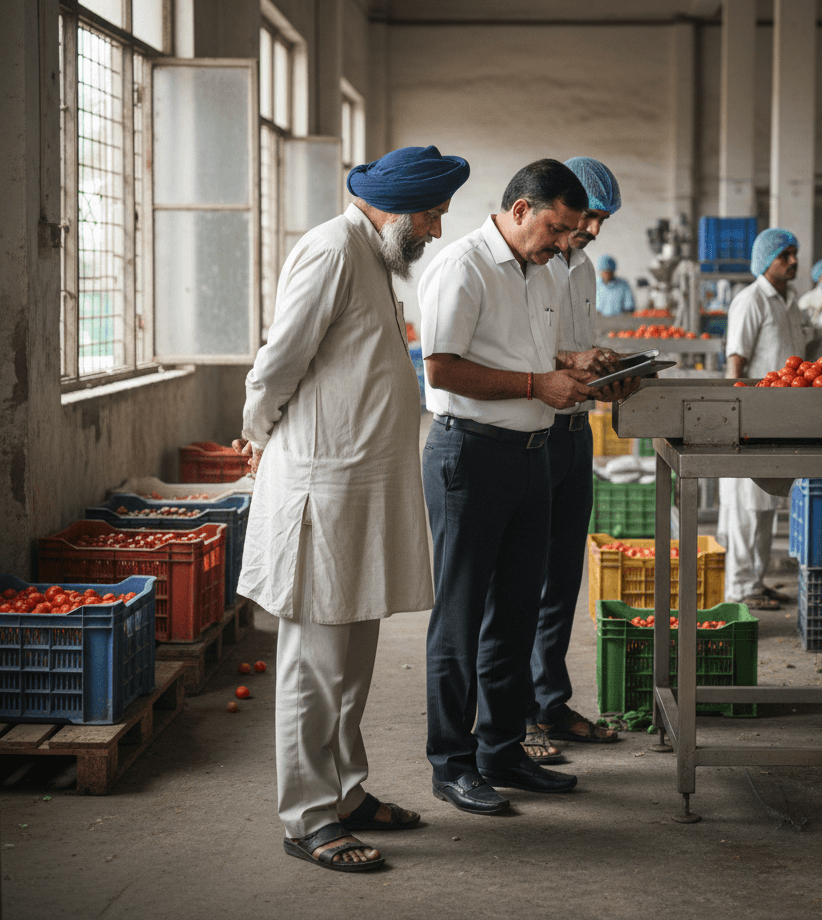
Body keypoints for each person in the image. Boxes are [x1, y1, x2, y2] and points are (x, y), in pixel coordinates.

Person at [232, 145, 470, 873]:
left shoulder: (374, 257)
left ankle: (346, 791)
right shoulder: (332, 250)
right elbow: (280, 361)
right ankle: (308, 817)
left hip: (362, 489)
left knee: (353, 656)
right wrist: (258, 434)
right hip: (323, 488)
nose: (435, 229)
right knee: (315, 662)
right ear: (396, 208)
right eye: (430, 214)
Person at [418, 159, 616, 815]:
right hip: (470, 456)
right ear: (522, 209)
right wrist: (537, 385)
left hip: (531, 454)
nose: (565, 242)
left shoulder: (538, 271)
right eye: (557, 228)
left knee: (515, 612)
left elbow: (523, 352)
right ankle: (452, 762)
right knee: (461, 615)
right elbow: (443, 368)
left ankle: (501, 749)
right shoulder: (464, 266)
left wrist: (572, 362)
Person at [522, 157, 635, 764]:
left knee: (563, 576)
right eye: (586, 215)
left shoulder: (584, 267)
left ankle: (550, 701)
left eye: (601, 219)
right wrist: (573, 362)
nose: (591, 229)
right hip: (532, 430)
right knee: (522, 580)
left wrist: (604, 367)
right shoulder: (528, 265)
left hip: (574, 430)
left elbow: (573, 343)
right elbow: (527, 352)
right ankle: (514, 716)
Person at [719, 228, 807, 610]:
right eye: (784, 255)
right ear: (765, 260)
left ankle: (756, 580)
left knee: (768, 501)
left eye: (794, 253)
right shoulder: (750, 300)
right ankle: (740, 588)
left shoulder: (790, 301)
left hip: (784, 416)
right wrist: (735, 418)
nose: (792, 261)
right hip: (753, 414)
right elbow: (735, 361)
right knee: (746, 503)